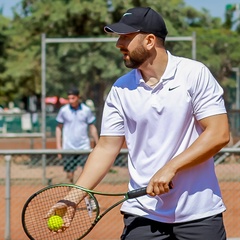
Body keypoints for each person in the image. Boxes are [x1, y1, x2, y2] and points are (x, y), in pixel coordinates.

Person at [48, 7, 230, 239]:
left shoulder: (194, 74)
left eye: (125, 37)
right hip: (142, 212)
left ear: (150, 41)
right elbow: (105, 148)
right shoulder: (120, 89)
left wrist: (171, 167)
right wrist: (72, 199)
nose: (118, 44)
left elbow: (218, 133)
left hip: (200, 214)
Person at [56, 88, 99, 183]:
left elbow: (92, 127)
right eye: (69, 98)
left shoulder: (86, 110)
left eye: (73, 98)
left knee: (86, 173)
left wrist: (97, 143)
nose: (71, 101)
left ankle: (87, 196)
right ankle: (71, 195)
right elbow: (58, 128)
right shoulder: (64, 110)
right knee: (69, 175)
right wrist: (59, 147)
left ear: (78, 97)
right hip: (68, 147)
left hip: (83, 147)